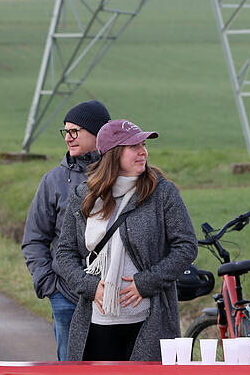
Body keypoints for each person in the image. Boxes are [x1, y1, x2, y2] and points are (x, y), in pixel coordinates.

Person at [55, 119, 197, 361]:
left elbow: (186, 247)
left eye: (144, 145)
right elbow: (64, 253)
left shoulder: (162, 193)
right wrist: (88, 286)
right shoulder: (84, 196)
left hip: (148, 321)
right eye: (134, 146)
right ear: (113, 154)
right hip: (96, 321)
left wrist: (147, 282)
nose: (143, 152)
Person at [21, 99, 111, 361]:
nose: (68, 138)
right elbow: (34, 238)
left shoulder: (122, 175)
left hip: (117, 299)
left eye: (75, 131)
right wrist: (50, 286)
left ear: (98, 134)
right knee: (71, 369)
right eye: (66, 132)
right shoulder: (53, 181)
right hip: (67, 298)